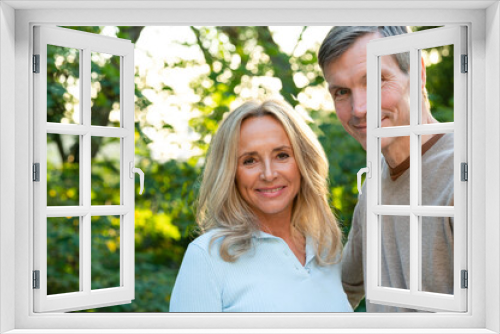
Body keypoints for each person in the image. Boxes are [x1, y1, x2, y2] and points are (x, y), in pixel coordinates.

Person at [169, 99, 352, 312]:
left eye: (281, 155)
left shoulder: (324, 246)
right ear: (230, 173)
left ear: (304, 162)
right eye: (249, 160)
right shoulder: (207, 257)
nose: (268, 174)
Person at [318, 26, 454, 312]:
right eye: (342, 92)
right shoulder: (374, 185)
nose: (359, 109)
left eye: (376, 80)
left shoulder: (470, 175)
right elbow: (342, 290)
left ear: (417, 73)